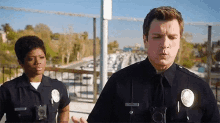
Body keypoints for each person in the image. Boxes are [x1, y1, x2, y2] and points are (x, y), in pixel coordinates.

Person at [72, 6, 220, 122]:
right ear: (145, 40)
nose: (165, 44)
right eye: (157, 37)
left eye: (172, 37)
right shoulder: (119, 83)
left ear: (179, 41)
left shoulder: (199, 88)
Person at [0, 36, 70, 122]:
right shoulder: (7, 90)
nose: (38, 62)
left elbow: (64, 109)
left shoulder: (58, 87)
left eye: (41, 57)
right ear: (21, 62)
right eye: (31, 59)